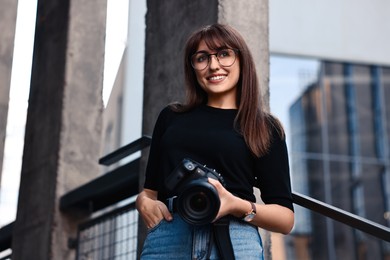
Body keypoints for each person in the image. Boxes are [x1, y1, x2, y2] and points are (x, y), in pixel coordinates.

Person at [136, 23, 294, 259]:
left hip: (235, 237)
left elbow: (285, 219)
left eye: (223, 54)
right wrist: (143, 202)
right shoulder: (171, 117)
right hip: (170, 233)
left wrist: (235, 205)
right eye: (202, 58)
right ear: (193, 67)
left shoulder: (264, 127)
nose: (213, 65)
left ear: (242, 60)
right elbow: (149, 192)